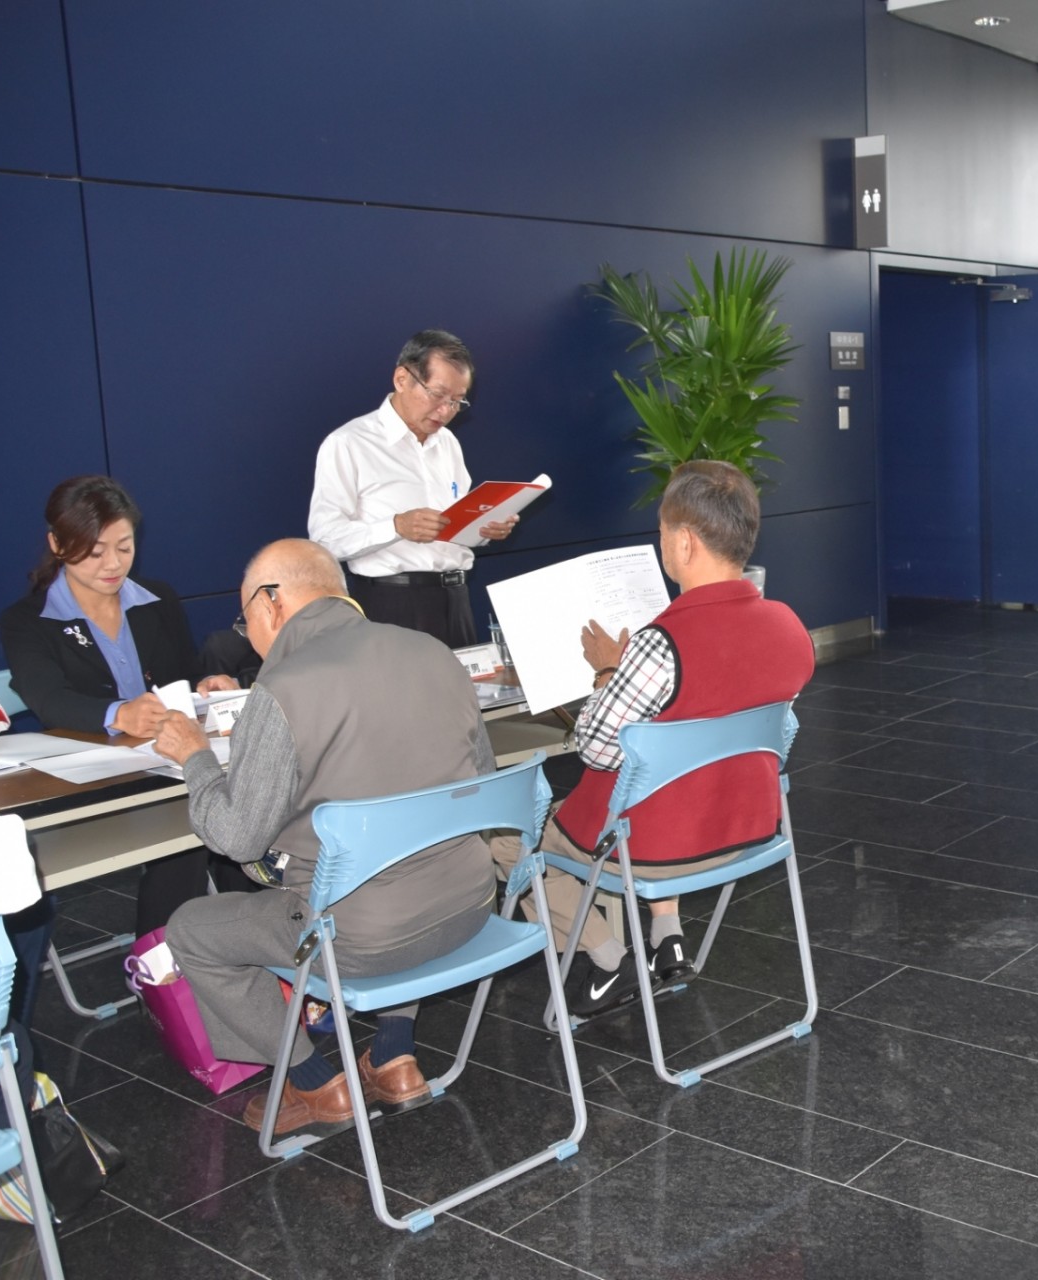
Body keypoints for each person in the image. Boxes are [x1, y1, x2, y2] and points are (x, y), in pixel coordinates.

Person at [152, 540, 499, 1139]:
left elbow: (236, 837)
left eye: (245, 619)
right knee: (403, 867)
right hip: (469, 905)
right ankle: (394, 1054)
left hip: (361, 938)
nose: (248, 636)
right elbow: (483, 785)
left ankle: (313, 1082)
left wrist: (196, 758)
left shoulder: (282, 688)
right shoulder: (433, 652)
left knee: (191, 930)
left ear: (271, 603)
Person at [490, 461, 814, 1019]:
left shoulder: (660, 644)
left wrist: (606, 673)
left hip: (658, 849)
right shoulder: (788, 624)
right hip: (747, 829)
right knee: (673, 787)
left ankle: (609, 958)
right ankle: (668, 934)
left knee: (506, 839)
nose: (661, 542)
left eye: (661, 532)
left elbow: (595, 750)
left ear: (685, 542)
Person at [0, 475, 246, 935]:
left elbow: (182, 674)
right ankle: (168, 957)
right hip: (96, 777)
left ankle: (219, 942)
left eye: (124, 547)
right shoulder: (27, 621)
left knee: (213, 823)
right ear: (58, 544)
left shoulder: (157, 599)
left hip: (168, 766)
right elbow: (50, 701)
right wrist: (119, 713)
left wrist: (205, 685)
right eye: (95, 552)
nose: (113, 564)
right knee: (198, 830)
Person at [306, 329, 518, 647]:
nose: (446, 411)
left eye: (457, 401)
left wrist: (485, 529)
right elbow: (324, 540)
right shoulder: (349, 443)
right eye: (438, 395)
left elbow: (453, 527)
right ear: (402, 379)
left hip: (456, 599)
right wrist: (396, 526)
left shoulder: (448, 444)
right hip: (392, 604)